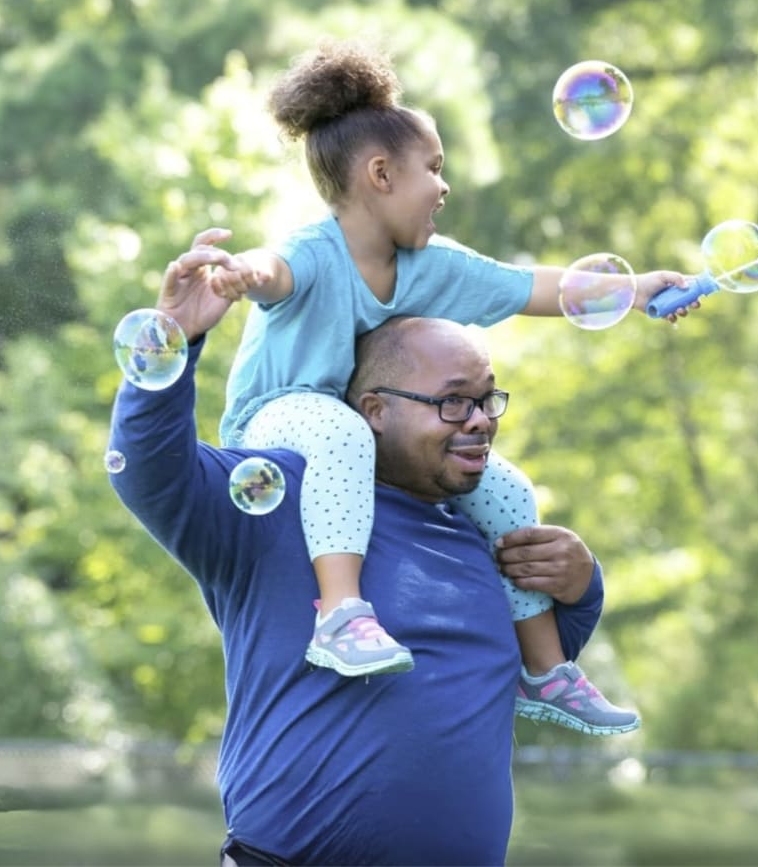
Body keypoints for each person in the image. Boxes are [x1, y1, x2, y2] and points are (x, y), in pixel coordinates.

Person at [194, 40, 691, 734]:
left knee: (507, 488)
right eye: (433, 168)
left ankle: (545, 670)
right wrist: (240, 273)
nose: (443, 186)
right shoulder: (315, 250)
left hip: (350, 433)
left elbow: (532, 286)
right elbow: (273, 269)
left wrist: (634, 289)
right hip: (273, 422)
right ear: (379, 175)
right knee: (338, 430)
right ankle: (339, 614)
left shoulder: (430, 265)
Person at [112, 240, 621, 863]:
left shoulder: (483, 528)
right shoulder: (277, 500)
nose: (481, 420)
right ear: (374, 410)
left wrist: (580, 584)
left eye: (488, 399)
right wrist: (175, 341)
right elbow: (147, 473)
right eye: (453, 401)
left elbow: (523, 669)